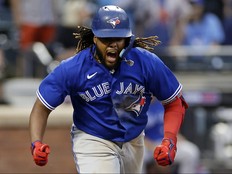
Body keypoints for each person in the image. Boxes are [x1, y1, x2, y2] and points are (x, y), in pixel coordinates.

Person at [29, 5, 188, 173]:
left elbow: (174, 102)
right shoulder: (73, 68)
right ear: (95, 38)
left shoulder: (146, 62)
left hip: (134, 140)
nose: (112, 45)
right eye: (106, 39)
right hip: (93, 138)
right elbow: (42, 106)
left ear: (128, 39)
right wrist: (36, 142)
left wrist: (169, 139)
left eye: (118, 38)